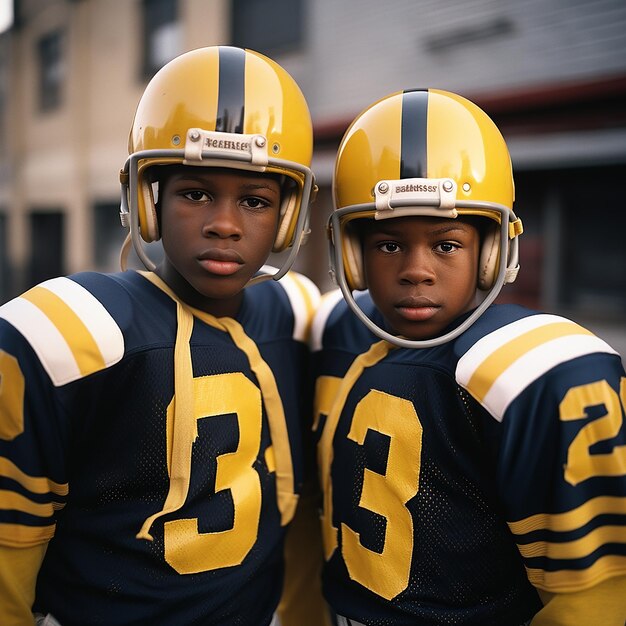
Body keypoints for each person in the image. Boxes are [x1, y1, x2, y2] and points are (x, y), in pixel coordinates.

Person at [0, 46, 327, 625]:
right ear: (148, 198)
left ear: (286, 214)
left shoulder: (295, 312)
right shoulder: (74, 331)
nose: (224, 224)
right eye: (195, 193)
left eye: (254, 201)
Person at [311, 88, 626, 625]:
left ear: (492, 251)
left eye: (447, 244)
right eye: (389, 245)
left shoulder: (537, 372)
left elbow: (591, 598)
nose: (417, 269)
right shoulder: (335, 325)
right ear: (353, 255)